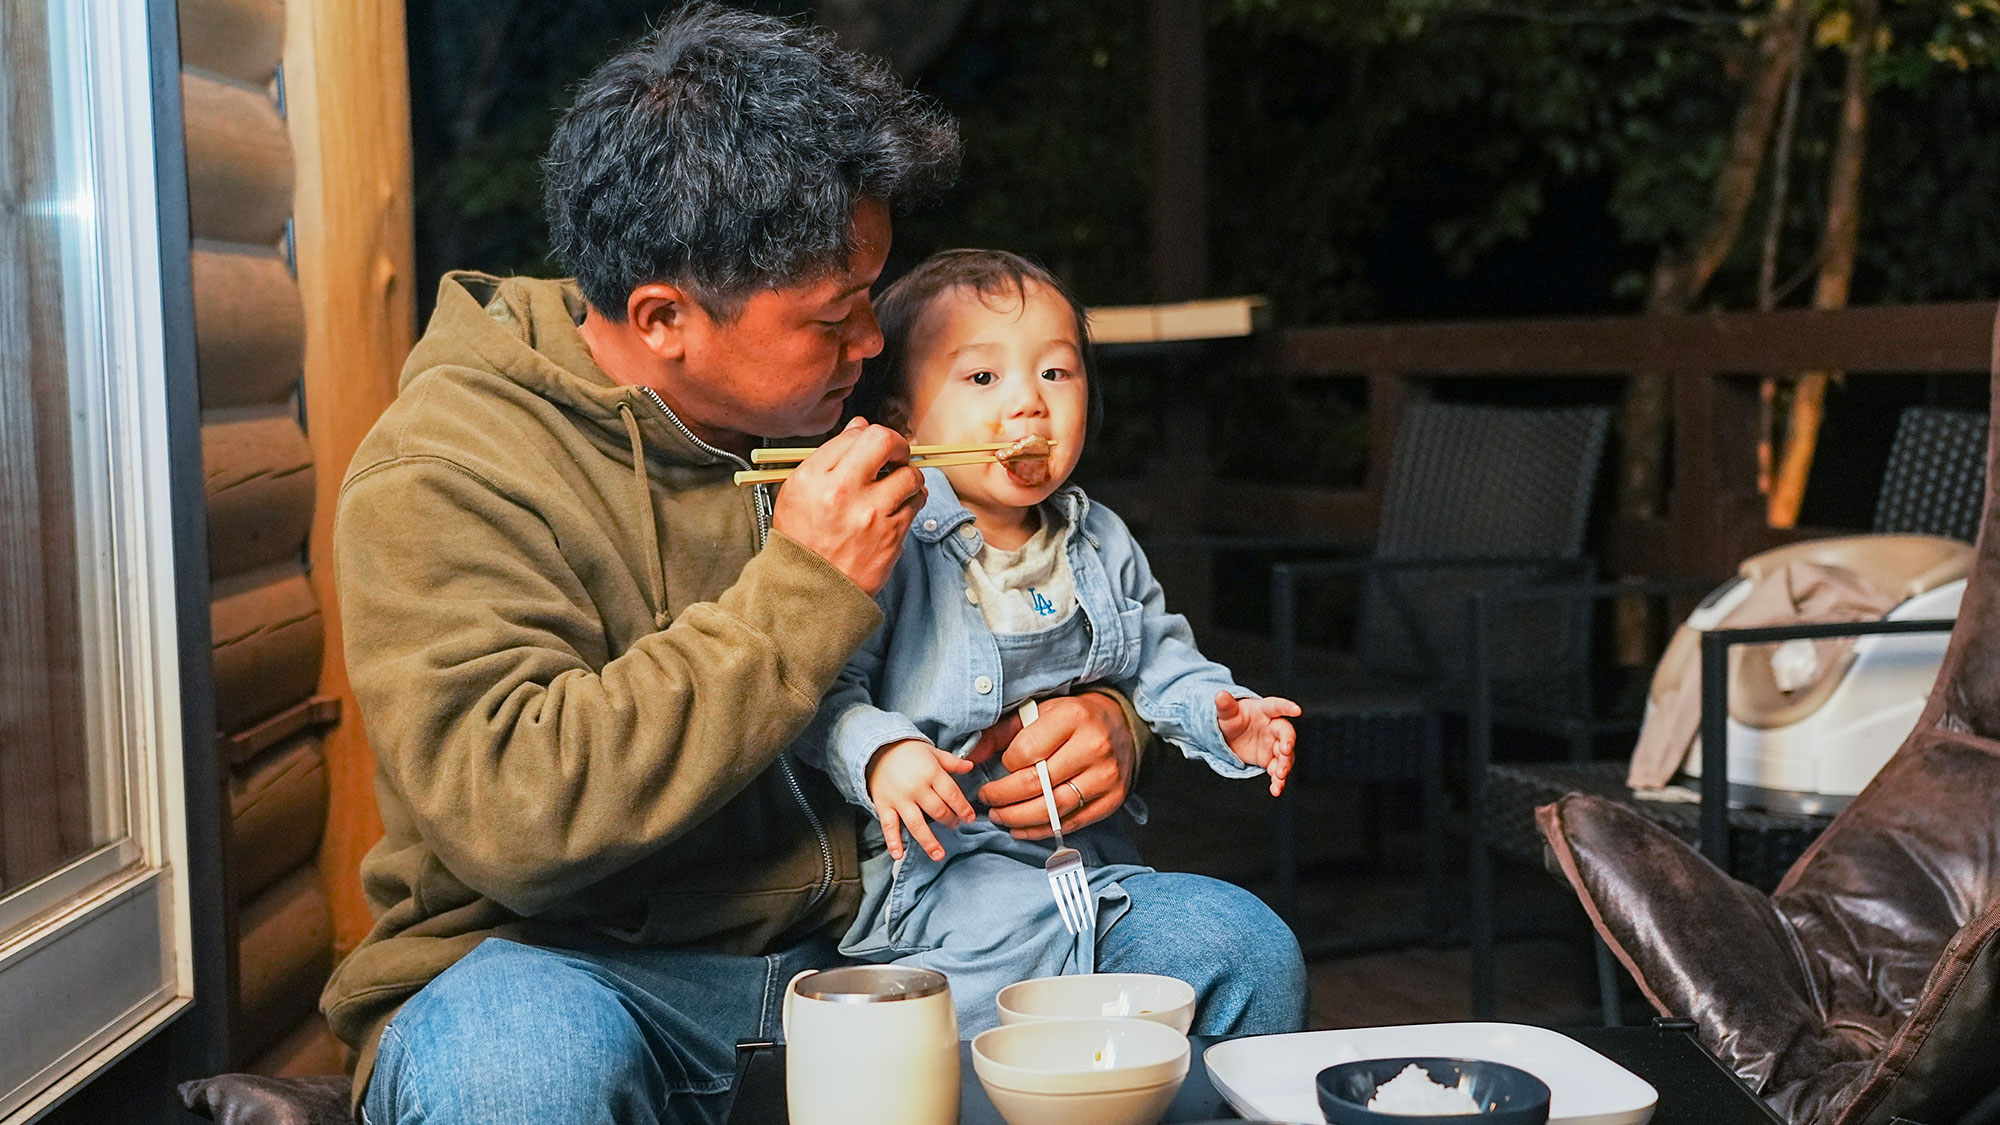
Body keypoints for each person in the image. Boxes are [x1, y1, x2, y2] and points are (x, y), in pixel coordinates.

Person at [320, 7, 1304, 1124]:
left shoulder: (849, 421)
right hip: (593, 973)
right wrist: (804, 587)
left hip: (897, 932)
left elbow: (1023, 615)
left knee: (1227, 951)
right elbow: (514, 817)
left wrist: (1111, 720)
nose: (872, 347)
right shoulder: (447, 471)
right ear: (664, 318)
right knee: (511, 1060)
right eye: (833, 321)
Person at [798, 249, 1305, 1034]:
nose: (1028, 407)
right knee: (983, 1025)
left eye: (1056, 375)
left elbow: (1161, 658)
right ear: (903, 419)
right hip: (946, 883)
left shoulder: (1098, 538)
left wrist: (1223, 713)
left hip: (1092, 873)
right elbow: (822, 694)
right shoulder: (891, 542)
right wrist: (882, 753)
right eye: (982, 379)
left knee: (1216, 957)